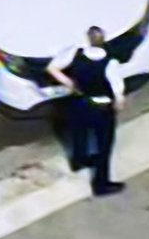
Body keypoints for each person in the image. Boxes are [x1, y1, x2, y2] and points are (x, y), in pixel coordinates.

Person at [46, 26, 126, 197]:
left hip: (79, 101)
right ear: (103, 40)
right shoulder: (110, 63)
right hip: (101, 107)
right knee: (104, 145)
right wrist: (117, 105)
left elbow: (52, 68)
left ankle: (79, 161)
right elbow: (118, 92)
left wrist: (69, 83)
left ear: (88, 39)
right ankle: (101, 184)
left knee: (79, 133)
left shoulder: (75, 53)